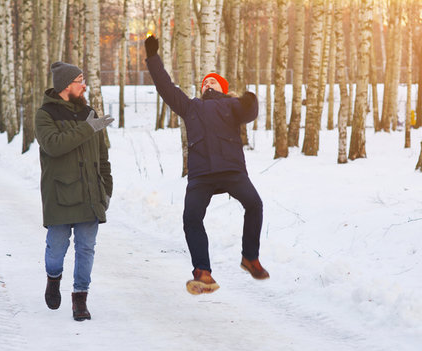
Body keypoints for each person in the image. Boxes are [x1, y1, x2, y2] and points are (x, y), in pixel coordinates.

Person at [144, 35, 269, 295]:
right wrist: (153, 58)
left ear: (222, 88)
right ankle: (203, 272)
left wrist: (250, 100)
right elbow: (166, 87)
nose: (207, 83)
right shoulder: (191, 107)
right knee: (191, 217)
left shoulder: (232, 105)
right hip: (201, 175)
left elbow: (249, 113)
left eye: (213, 80)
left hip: (232, 170)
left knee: (254, 204)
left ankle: (250, 258)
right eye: (204, 82)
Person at [35, 61, 114, 320]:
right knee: (56, 249)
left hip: (91, 196)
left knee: (86, 249)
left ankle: (80, 298)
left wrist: (107, 188)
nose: (84, 85)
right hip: (60, 195)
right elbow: (54, 145)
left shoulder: (88, 113)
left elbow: (102, 156)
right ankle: (54, 279)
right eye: (80, 80)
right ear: (66, 86)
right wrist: (88, 128)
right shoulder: (45, 114)